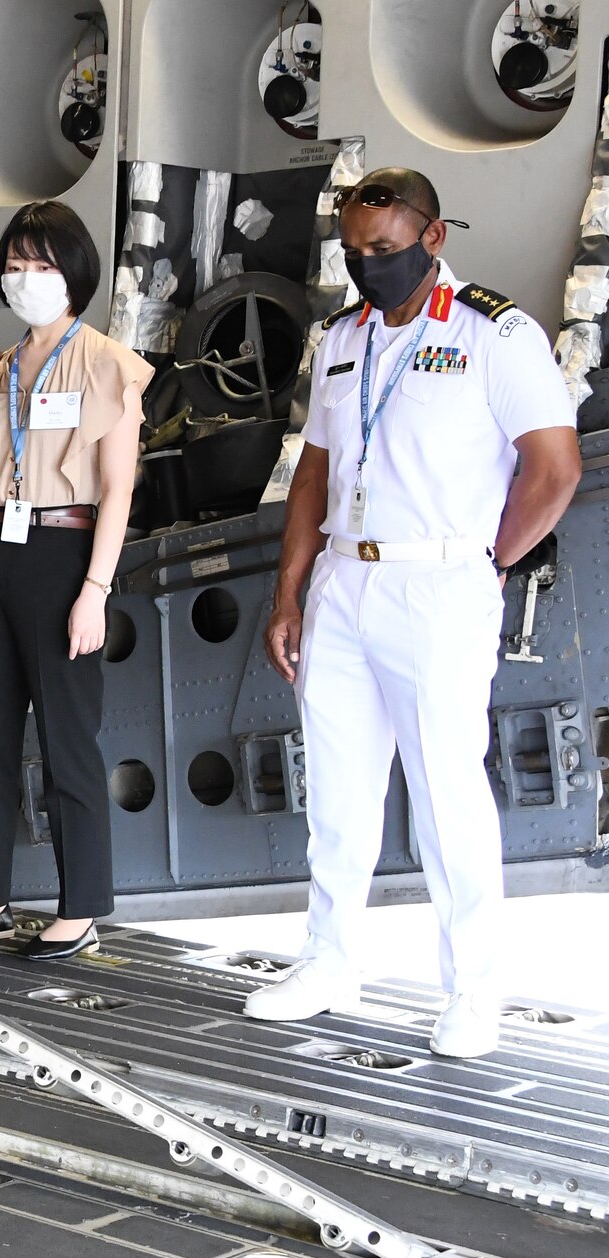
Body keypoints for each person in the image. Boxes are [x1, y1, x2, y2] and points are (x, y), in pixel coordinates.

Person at [249, 168, 579, 1058]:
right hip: (343, 584)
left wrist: (487, 561)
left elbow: (555, 468)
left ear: (433, 238)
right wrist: (290, 595)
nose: (368, 269)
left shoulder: (495, 334)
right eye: (355, 255)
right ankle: (328, 959)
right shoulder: (345, 338)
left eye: (386, 252)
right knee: (339, 789)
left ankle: (473, 990)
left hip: (438, 585)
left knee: (446, 794)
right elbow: (312, 473)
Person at [0, 200, 148, 960]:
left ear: (74, 272)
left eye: (42, 264)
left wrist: (96, 591)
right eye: (15, 265)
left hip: (63, 555)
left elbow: (117, 491)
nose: (25, 278)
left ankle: (80, 906)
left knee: (68, 737)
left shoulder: (108, 365)